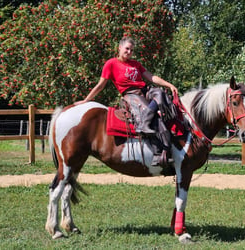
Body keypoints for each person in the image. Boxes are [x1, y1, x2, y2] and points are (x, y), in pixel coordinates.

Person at [75, 37, 178, 167]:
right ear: (119, 48)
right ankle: (158, 152)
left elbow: (151, 77)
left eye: (131, 50)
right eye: (127, 49)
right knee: (155, 119)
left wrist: (169, 85)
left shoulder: (135, 64)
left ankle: (146, 120)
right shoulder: (111, 63)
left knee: (160, 93)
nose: (129, 52)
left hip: (144, 90)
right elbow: (100, 85)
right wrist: (86, 100)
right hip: (131, 94)